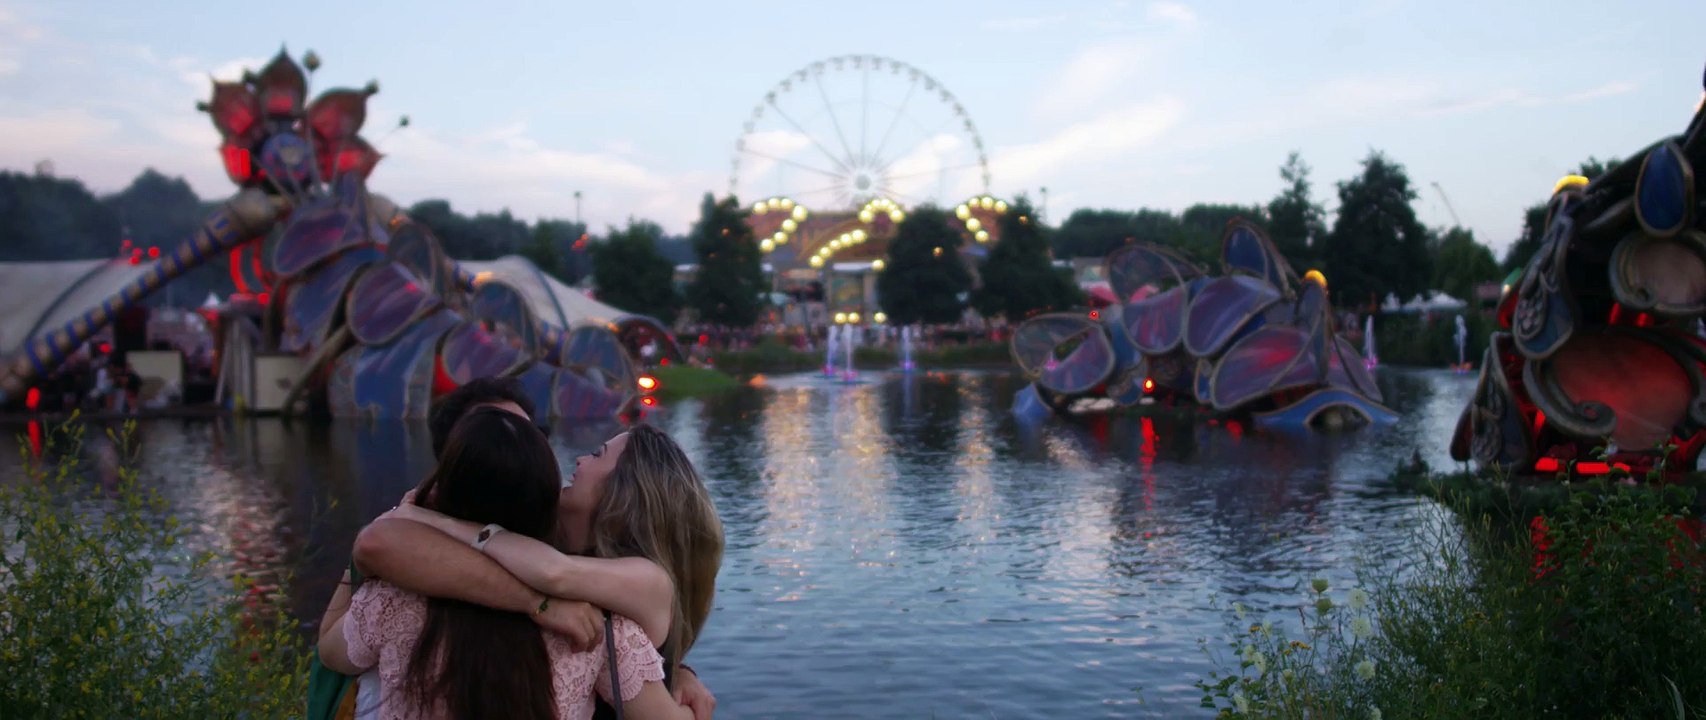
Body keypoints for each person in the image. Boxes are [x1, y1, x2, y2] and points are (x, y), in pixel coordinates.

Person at [318, 408, 690, 720]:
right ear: (542, 498)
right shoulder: (599, 628)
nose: (579, 459)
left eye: (596, 454)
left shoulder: (393, 601)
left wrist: (423, 518)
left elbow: (330, 651)